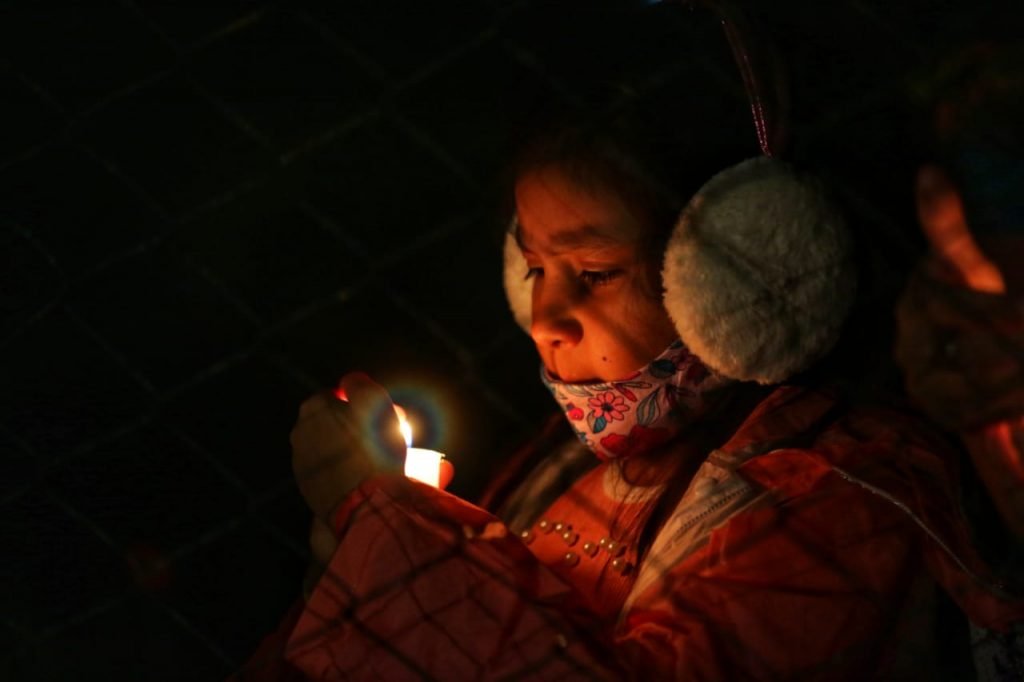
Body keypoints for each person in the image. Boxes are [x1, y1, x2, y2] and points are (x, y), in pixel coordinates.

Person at [236, 7, 1023, 681]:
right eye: (535, 267)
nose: (547, 315)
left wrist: (390, 539)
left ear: (739, 277)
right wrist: (341, 560)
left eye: (595, 271)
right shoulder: (557, 460)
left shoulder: (842, 493)